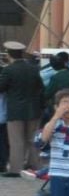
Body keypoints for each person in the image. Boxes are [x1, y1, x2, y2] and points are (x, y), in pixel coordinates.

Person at [0, 41, 44, 177]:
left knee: (16, 140)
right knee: (32, 139)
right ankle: (35, 165)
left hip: (15, 110)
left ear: (8, 54)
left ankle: (15, 169)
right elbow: (40, 87)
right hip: (34, 110)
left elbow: (1, 87)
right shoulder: (33, 68)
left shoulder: (9, 70)